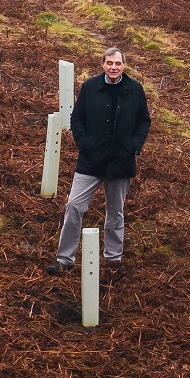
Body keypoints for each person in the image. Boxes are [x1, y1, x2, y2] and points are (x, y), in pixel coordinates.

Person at [56, 47, 150, 274]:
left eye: (117, 63)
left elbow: (143, 121)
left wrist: (133, 147)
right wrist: (85, 145)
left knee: (115, 212)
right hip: (90, 161)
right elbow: (77, 118)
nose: (113, 67)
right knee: (74, 206)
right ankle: (64, 259)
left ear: (124, 65)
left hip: (121, 161)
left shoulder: (135, 90)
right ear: (103, 64)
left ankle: (113, 258)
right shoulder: (90, 87)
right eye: (109, 63)